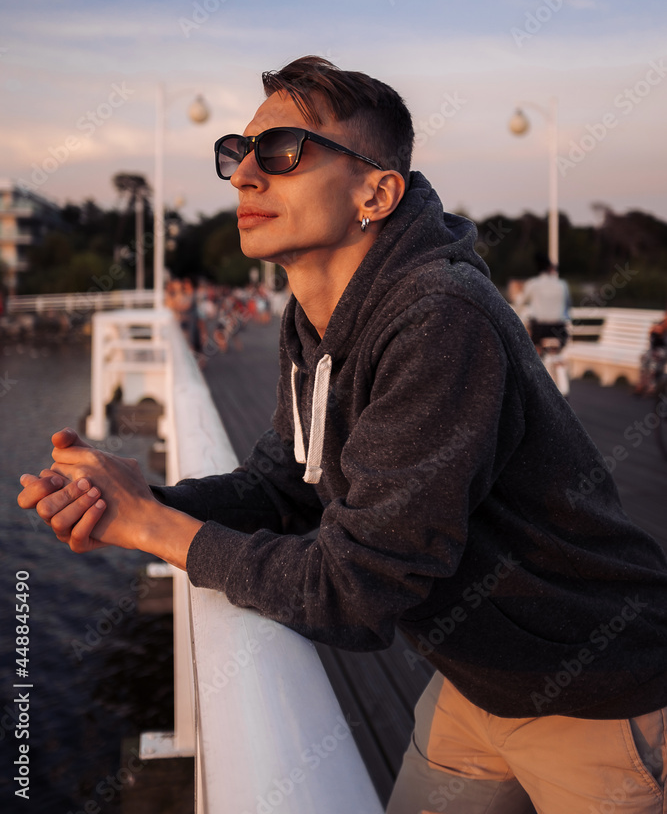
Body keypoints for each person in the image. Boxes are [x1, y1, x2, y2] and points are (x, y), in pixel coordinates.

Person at [18, 57, 667, 813]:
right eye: (238, 152)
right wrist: (136, 496)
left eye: (282, 151)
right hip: (476, 681)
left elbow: (356, 589)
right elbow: (282, 484)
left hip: (599, 700)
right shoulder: (317, 316)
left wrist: (157, 529)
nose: (244, 177)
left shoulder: (438, 319)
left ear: (376, 191)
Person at [520, 253, 571, 356]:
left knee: (531, 345)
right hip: (560, 329)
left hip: (539, 330)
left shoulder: (533, 284)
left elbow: (519, 303)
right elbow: (568, 305)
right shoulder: (562, 285)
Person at [635, 309, 667, 397]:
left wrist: (661, 335)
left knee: (655, 358)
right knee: (644, 357)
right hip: (655, 350)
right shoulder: (659, 325)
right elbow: (652, 342)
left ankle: (651, 387)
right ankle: (642, 384)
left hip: (663, 351)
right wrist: (654, 333)